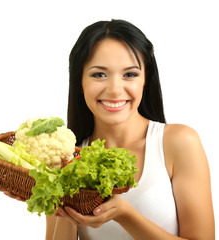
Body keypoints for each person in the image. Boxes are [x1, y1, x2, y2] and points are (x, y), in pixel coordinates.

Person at [45, 19, 215, 239]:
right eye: (99, 74)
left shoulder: (178, 142)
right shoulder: (66, 157)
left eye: (130, 74)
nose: (115, 90)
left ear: (146, 80)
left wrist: (125, 214)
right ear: (79, 81)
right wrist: (64, 201)